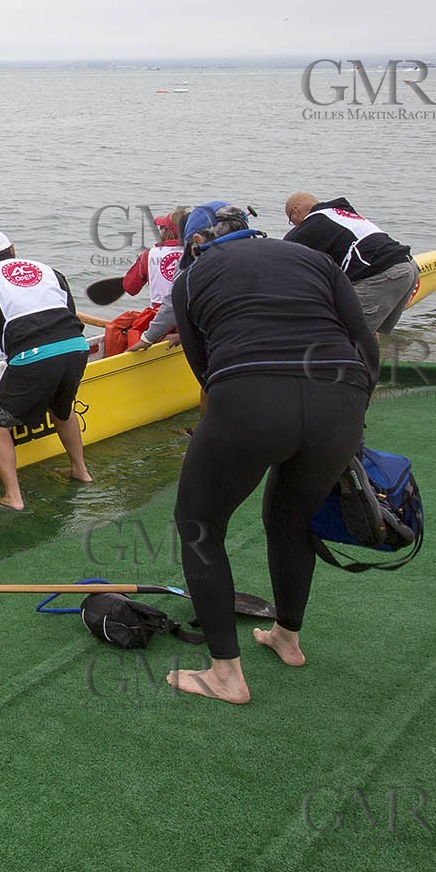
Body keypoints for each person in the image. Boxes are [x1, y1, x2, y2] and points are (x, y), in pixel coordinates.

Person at [165, 206, 380, 704]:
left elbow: (205, 370)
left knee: (199, 523)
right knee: (291, 519)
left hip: (250, 397)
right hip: (341, 397)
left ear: (198, 244)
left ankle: (225, 675)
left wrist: (240, 425)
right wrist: (353, 420)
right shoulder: (313, 258)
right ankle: (287, 637)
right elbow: (364, 341)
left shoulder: (193, 277)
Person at [0, 231, 93, 511]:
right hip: (77, 347)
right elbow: (70, 313)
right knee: (62, 410)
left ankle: (13, 497)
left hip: (35, 357)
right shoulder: (50, 271)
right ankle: (81, 470)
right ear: (13, 250)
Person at [284, 193, 416, 334]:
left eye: (291, 220)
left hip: (385, 275)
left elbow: (283, 258)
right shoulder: (340, 213)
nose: (295, 226)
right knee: (372, 332)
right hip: (409, 266)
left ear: (296, 211)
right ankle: (371, 355)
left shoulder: (311, 225)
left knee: (343, 332)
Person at [105, 208, 188, 355]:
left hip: (160, 317)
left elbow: (130, 288)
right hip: (190, 317)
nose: (159, 231)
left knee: (117, 327)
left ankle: (126, 361)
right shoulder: (198, 252)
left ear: (168, 231)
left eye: (162, 228)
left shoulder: (149, 255)